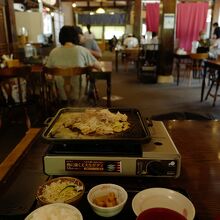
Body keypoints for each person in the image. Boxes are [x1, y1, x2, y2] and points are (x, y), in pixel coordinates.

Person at [45, 25, 101, 103]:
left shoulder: (53, 52)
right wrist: (88, 66)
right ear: (76, 37)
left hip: (61, 95)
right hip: (79, 94)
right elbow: (99, 67)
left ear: (60, 37)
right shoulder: (82, 50)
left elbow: (48, 73)